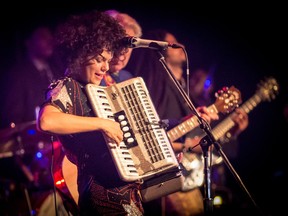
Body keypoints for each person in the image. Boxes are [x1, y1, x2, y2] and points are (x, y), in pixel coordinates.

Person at [37, 10, 144, 215]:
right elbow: (46, 121)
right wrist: (102, 123)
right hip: (102, 200)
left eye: (108, 59)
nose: (105, 67)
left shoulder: (98, 91)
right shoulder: (67, 86)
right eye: (99, 59)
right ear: (80, 53)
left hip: (129, 198)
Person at [100, 9, 142, 86]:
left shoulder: (127, 78)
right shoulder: (91, 75)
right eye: (118, 43)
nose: (122, 53)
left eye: (128, 45)